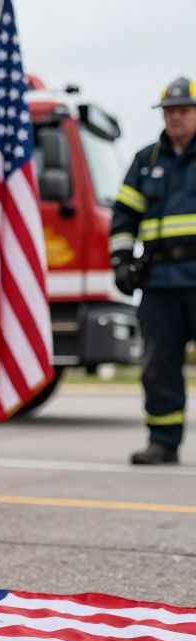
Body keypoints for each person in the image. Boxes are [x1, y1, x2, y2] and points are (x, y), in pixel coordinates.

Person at [110, 76, 196, 465]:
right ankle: (163, 441)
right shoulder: (146, 160)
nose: (174, 117)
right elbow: (125, 215)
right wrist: (121, 260)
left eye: (182, 110)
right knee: (159, 365)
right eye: (168, 111)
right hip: (159, 281)